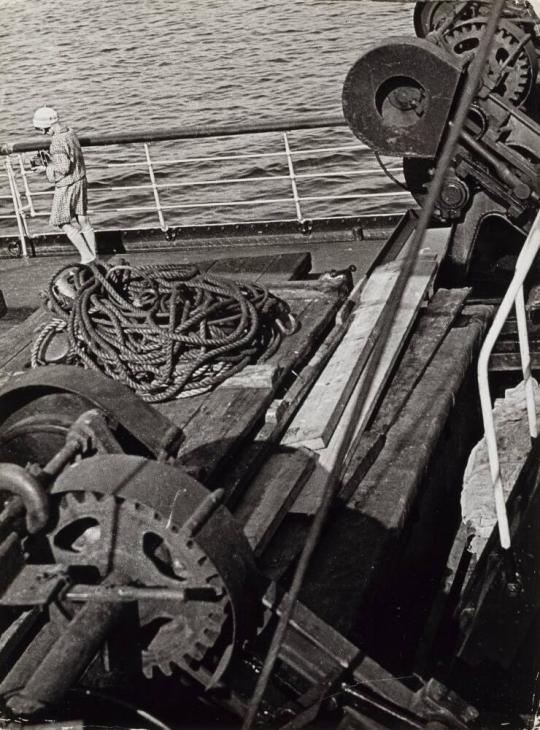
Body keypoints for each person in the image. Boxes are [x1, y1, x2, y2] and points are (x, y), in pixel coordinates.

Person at [31, 106, 96, 266]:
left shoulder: (57, 142)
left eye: (43, 130)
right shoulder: (70, 132)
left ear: (47, 126)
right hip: (80, 180)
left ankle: (86, 257)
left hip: (67, 186)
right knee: (82, 218)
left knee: (61, 221)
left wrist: (45, 167)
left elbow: (63, 168)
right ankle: (95, 257)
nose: (44, 133)